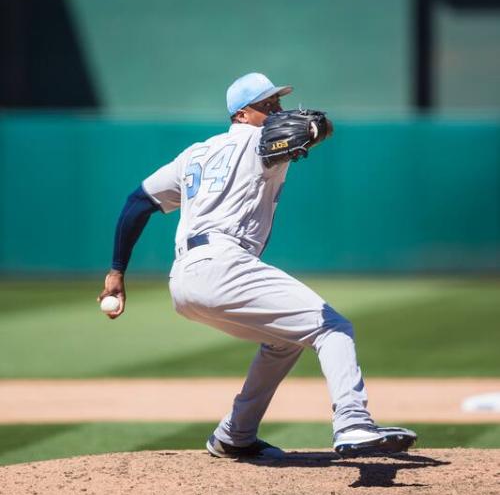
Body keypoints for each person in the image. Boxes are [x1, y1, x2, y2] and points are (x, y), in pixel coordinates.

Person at [98, 72, 416, 459]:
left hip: (184, 281)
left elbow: (137, 202)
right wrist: (318, 126)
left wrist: (117, 270)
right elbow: (317, 128)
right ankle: (353, 422)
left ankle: (235, 434)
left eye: (278, 105)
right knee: (333, 328)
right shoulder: (259, 142)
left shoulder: (194, 154)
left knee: (284, 340)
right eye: (269, 106)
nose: (278, 113)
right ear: (243, 114)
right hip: (224, 265)